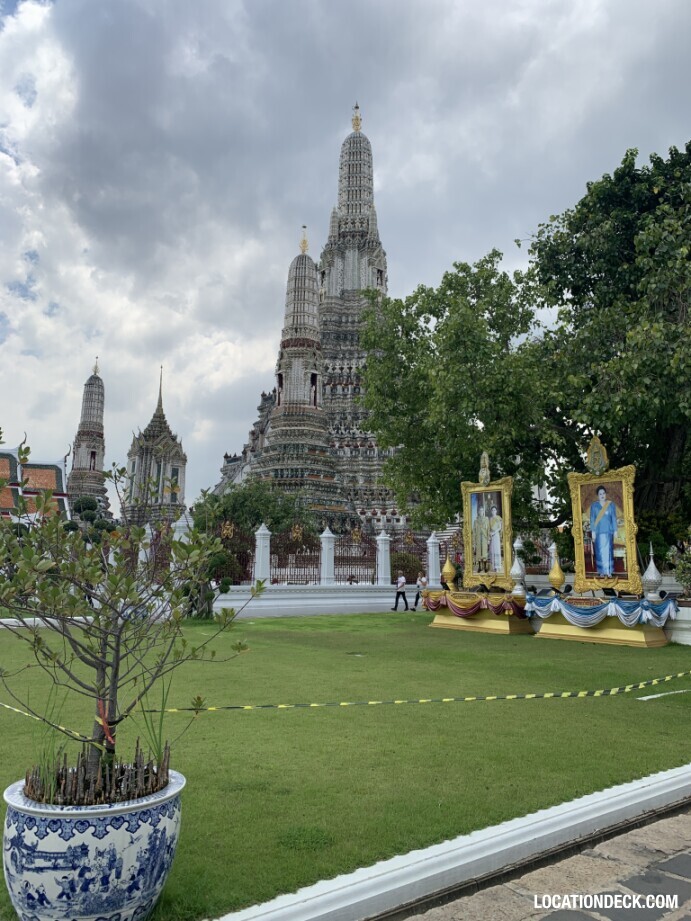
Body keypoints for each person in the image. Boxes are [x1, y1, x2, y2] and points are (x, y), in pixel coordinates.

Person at [589, 485, 618, 577]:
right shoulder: (594, 506)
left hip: (608, 532)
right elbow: (592, 519)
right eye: (600, 494)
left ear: (606, 494)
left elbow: (613, 518)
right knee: (600, 552)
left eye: (603, 493)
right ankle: (601, 571)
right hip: (598, 532)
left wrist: (615, 530)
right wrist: (593, 531)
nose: (602, 495)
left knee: (608, 551)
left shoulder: (611, 505)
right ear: (598, 495)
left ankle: (609, 571)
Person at [472, 503, 490, 572]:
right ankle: (480, 567)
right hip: (478, 538)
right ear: (478, 512)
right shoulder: (476, 521)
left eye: (482, 510)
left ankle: (485, 567)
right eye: (480, 510)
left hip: (485, 538)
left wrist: (488, 539)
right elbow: (474, 531)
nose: (481, 512)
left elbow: (488, 529)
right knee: (479, 553)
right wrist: (474, 541)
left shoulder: (486, 519)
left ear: (483, 511)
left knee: (485, 553)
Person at [488, 505, 503, 571]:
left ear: (496, 511)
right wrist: (490, 534)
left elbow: (499, 527)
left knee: (496, 549)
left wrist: (494, 533)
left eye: (494, 510)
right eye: (492, 510)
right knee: (492, 550)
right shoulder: (490, 519)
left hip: (496, 535)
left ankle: (497, 566)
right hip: (491, 535)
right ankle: (493, 566)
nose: (493, 511)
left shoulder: (498, 518)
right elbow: (489, 528)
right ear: (491, 511)